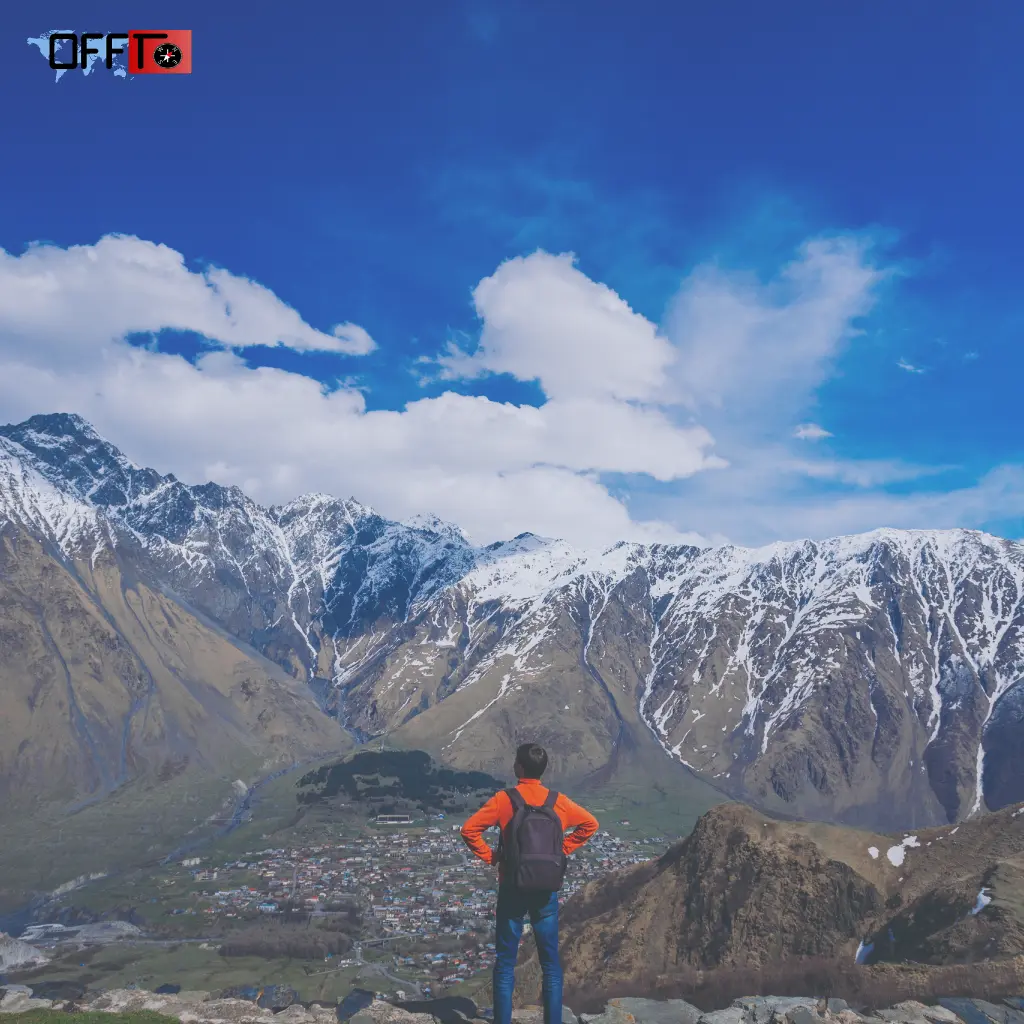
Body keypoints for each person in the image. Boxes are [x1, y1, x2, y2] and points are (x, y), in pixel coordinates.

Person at [460, 743, 599, 1024]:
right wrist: (561, 851)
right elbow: (590, 824)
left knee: (505, 964)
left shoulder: (504, 799)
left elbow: (469, 829)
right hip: (546, 888)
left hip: (512, 886)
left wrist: (492, 856)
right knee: (550, 964)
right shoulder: (557, 801)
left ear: (519, 768)